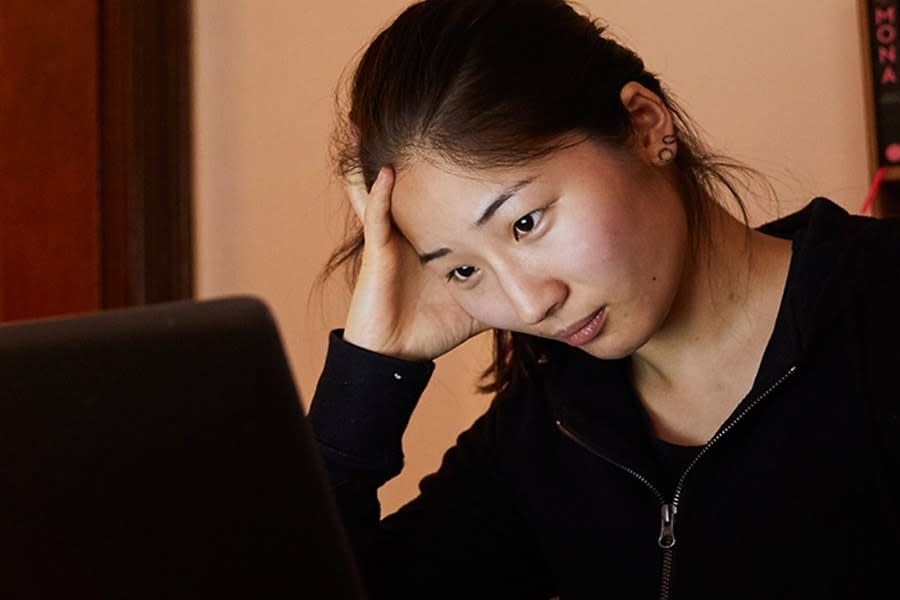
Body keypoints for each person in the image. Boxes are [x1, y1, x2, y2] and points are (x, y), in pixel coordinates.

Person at [308, 1, 900, 598]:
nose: (526, 304)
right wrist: (372, 370)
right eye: (463, 269)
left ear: (644, 124)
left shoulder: (878, 310)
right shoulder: (542, 438)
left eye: (525, 223)